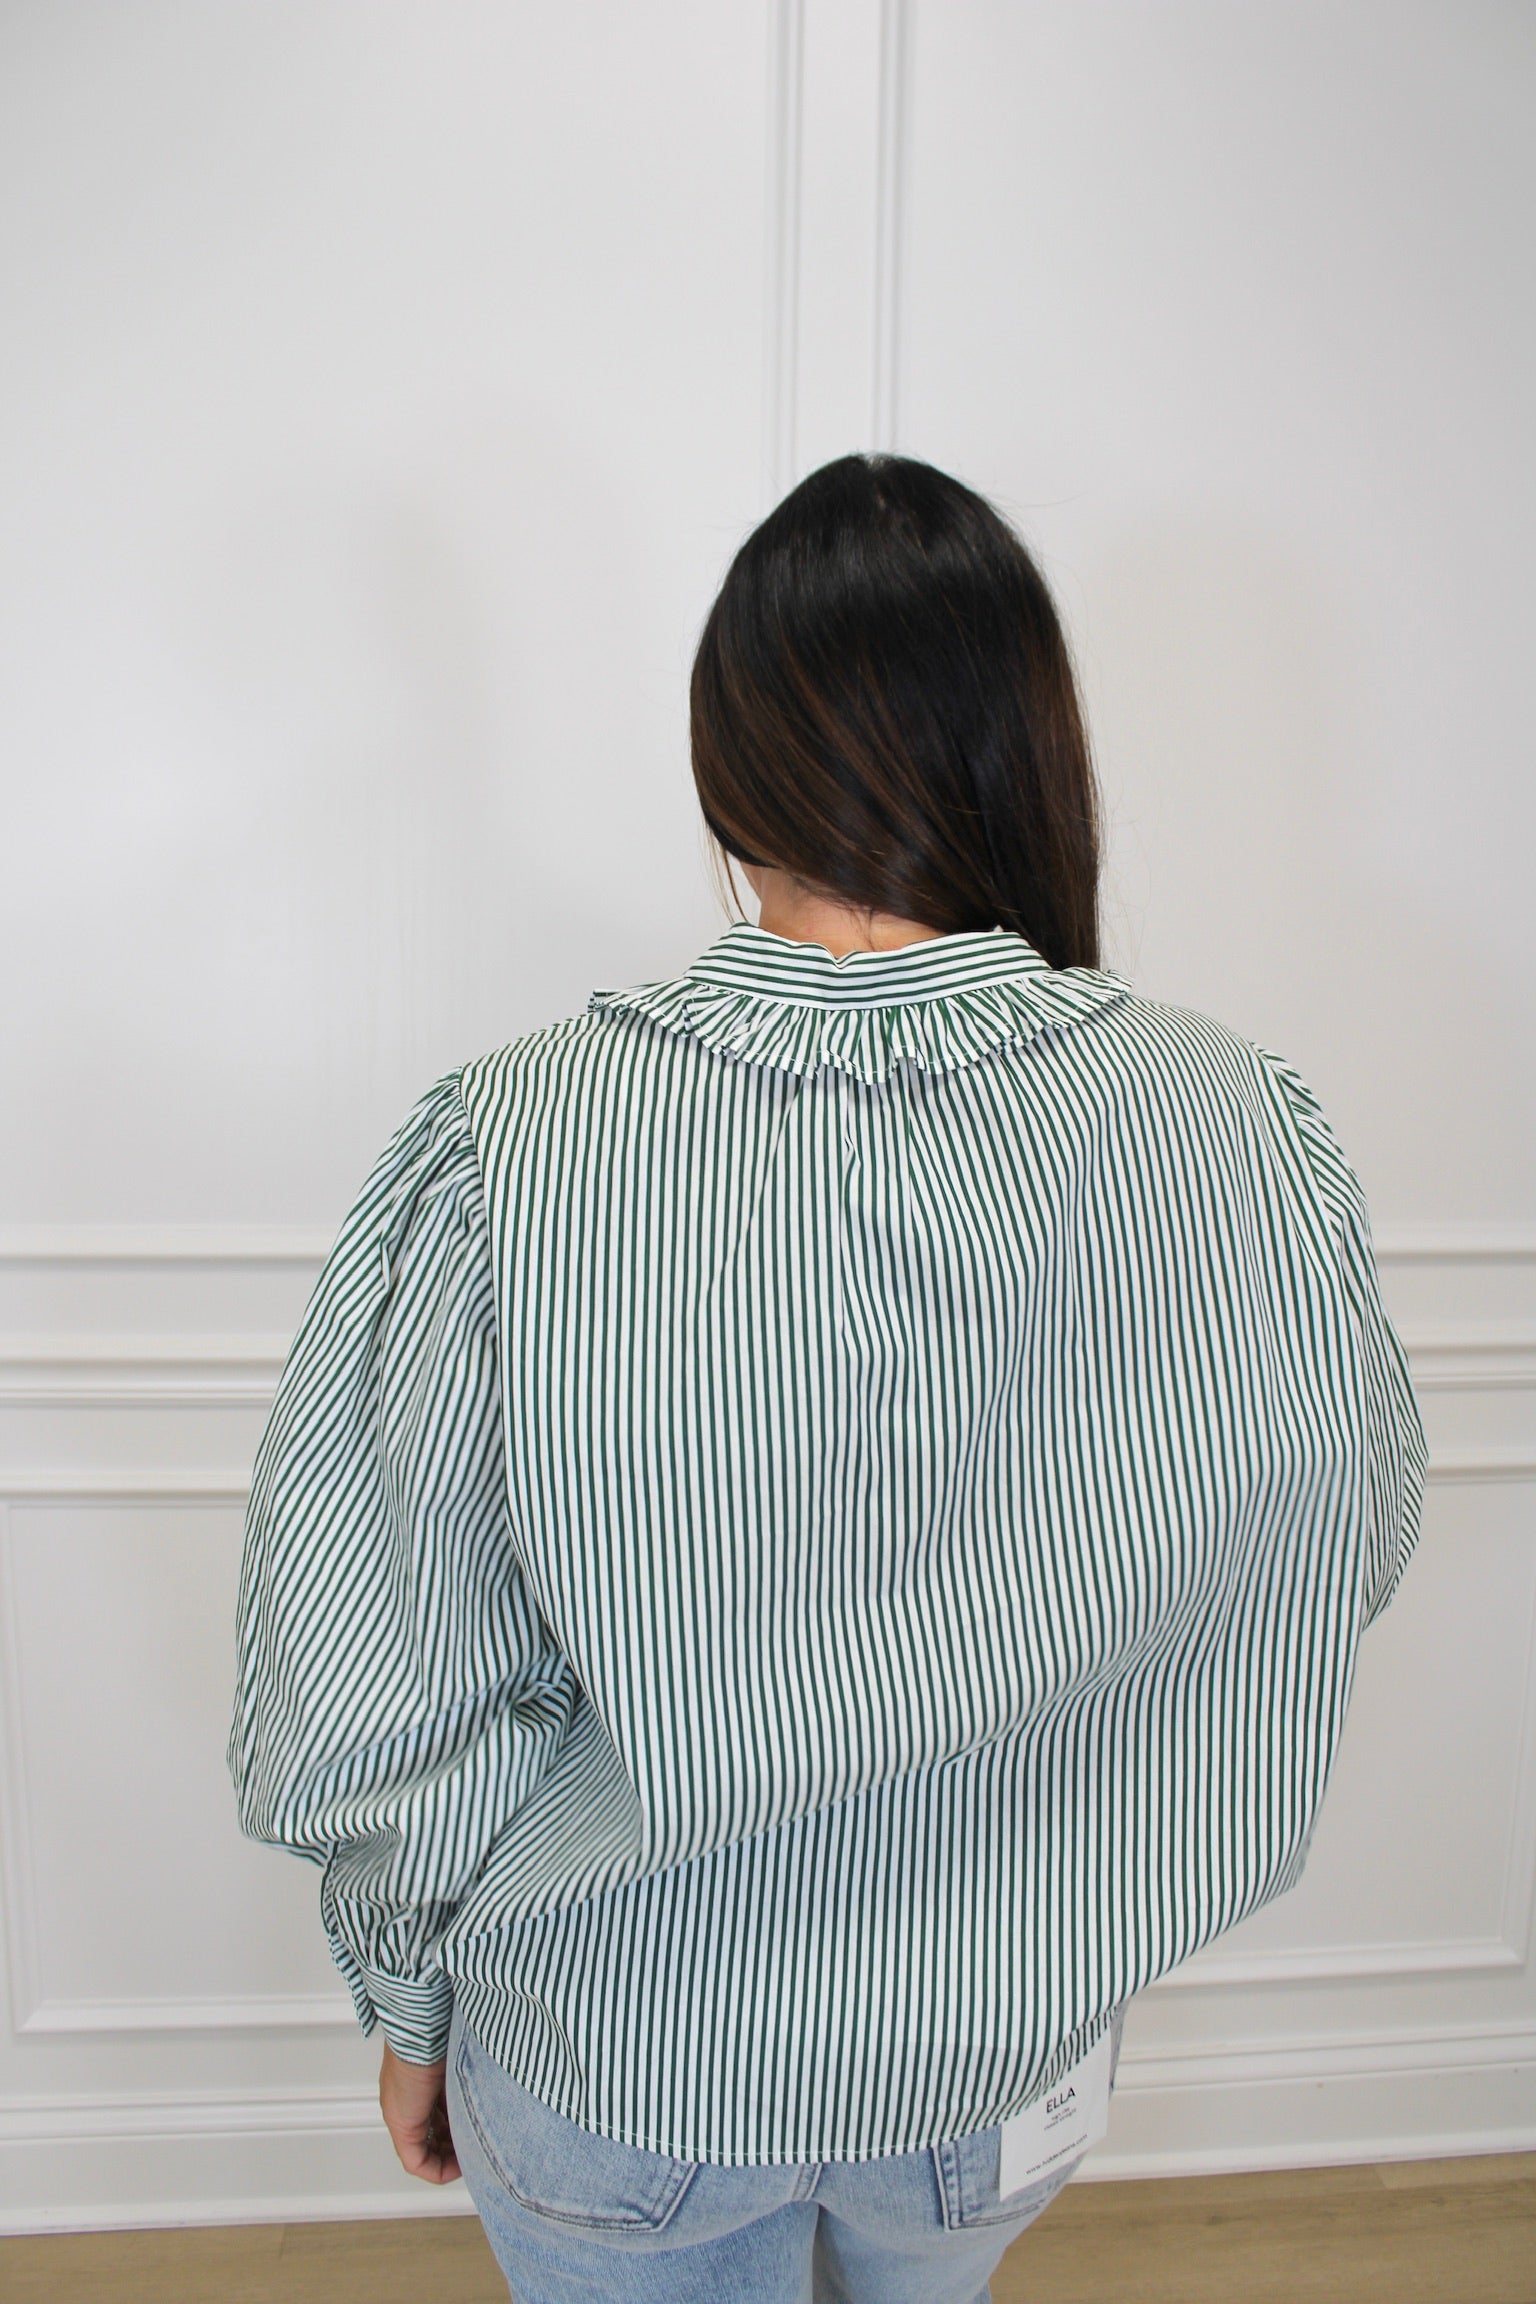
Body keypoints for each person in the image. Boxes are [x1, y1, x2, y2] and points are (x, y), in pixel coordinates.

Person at [230, 454, 1425, 2304]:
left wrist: (406, 1997)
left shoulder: (517, 1144)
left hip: (624, 2048)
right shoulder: (1236, 1128)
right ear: (1028, 751)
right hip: (1002, 2057)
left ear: (730, 771)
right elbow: (1343, 1535)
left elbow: (382, 1647)